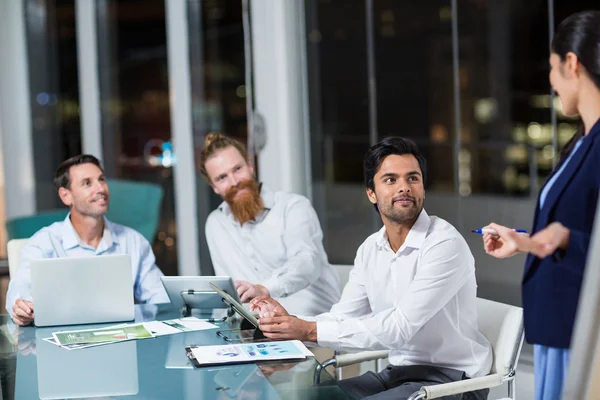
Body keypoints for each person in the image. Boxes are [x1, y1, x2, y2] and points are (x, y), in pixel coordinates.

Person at [250, 137, 492, 400]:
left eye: (413, 178)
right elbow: (343, 315)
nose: (404, 187)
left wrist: (308, 329)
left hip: (454, 381)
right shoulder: (370, 249)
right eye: (390, 180)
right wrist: (290, 324)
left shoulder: (444, 243)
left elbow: (399, 328)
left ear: (422, 187)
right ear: (371, 193)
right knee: (307, 397)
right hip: (400, 374)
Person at [481, 10, 600, 400]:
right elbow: (572, 231)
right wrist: (523, 241)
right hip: (557, 328)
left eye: (552, 67)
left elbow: (578, 240)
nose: (550, 81)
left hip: (581, 334)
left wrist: (563, 240)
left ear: (571, 63)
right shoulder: (581, 143)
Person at [6, 155, 169, 326]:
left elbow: (160, 296)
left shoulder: (134, 241)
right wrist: (21, 308)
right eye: (87, 183)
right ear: (66, 196)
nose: (100, 188)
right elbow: (19, 291)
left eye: (102, 180)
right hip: (62, 343)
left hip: (120, 340)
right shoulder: (43, 242)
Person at [199, 133, 340, 317]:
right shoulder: (216, 224)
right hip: (259, 334)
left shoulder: (293, 207)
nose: (234, 182)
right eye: (222, 178)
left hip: (315, 328)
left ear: (250, 166)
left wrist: (265, 288)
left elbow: (307, 262)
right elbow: (230, 295)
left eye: (238, 169)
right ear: (214, 187)